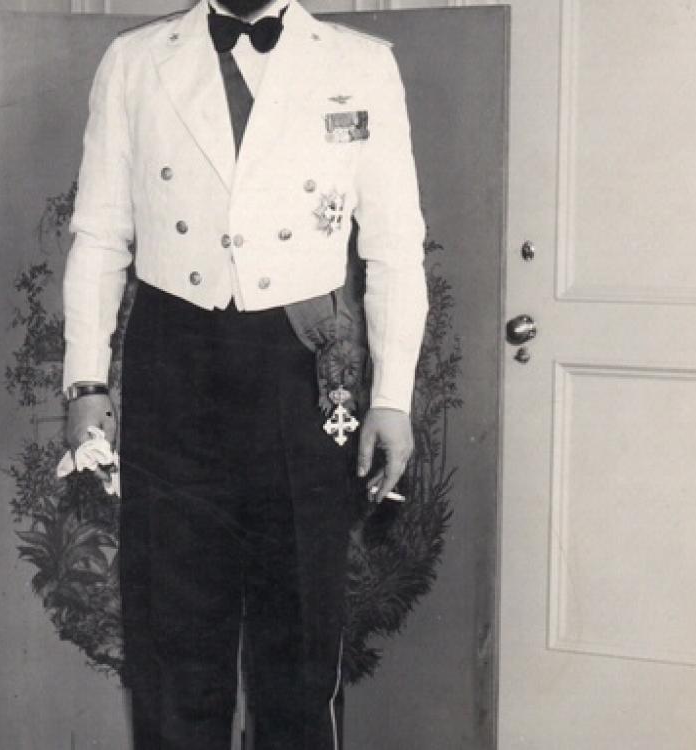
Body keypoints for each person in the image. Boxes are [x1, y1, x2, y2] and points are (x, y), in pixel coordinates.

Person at [62, 0, 428, 747]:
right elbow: (100, 234)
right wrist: (85, 382)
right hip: (174, 359)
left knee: (298, 642)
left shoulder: (360, 64)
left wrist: (391, 399)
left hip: (300, 365)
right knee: (171, 637)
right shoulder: (136, 59)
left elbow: (394, 246)